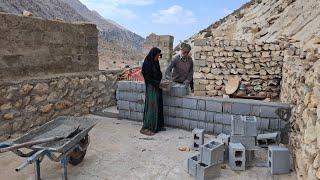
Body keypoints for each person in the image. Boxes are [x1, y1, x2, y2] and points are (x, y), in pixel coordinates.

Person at [140, 47, 166, 136]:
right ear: (153, 55)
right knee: (152, 107)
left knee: (158, 105)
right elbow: (148, 78)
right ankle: (148, 127)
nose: (158, 58)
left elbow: (158, 73)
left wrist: (161, 80)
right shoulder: (147, 64)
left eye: (159, 56)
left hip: (157, 86)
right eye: (157, 56)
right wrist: (157, 82)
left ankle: (158, 125)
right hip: (151, 87)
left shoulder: (156, 62)